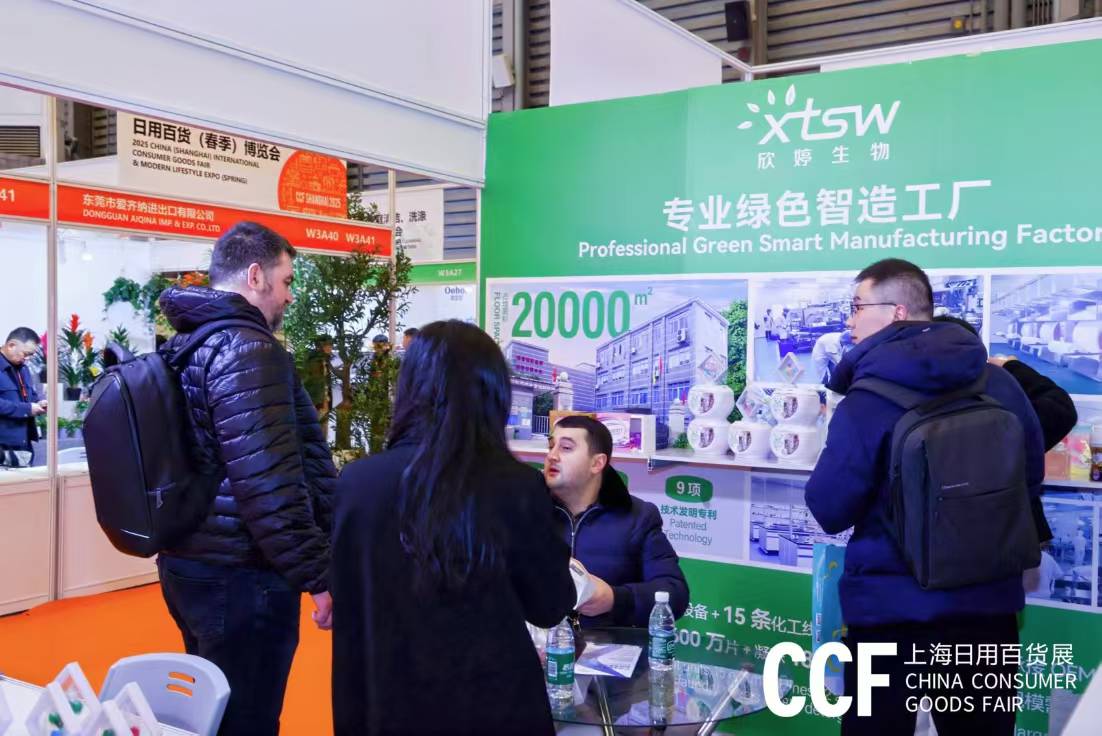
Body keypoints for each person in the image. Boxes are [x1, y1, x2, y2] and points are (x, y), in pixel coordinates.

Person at [805, 258, 1045, 736]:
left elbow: (829, 506)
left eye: (856, 306)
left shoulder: (868, 399)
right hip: (987, 608)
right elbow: (1030, 475)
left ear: (896, 312)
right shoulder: (998, 382)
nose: (849, 321)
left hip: (890, 612)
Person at [333, 320, 575, 736]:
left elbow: (350, 613)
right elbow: (550, 605)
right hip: (496, 709)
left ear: (410, 388)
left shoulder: (359, 484)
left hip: (387, 707)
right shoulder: (518, 486)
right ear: (494, 393)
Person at [157, 221, 336, 736]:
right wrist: (320, 577)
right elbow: (270, 485)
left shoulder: (188, 341)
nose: (290, 295)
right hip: (242, 576)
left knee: (212, 717)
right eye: (287, 280)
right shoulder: (248, 350)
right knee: (247, 719)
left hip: (190, 562)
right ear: (255, 275)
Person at [934, 314, 1076, 543]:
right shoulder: (1006, 414)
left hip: (940, 541)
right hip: (1013, 538)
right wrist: (1012, 367)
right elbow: (1061, 409)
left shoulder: (911, 412)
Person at [544, 415, 689, 628]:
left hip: (606, 644)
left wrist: (614, 599)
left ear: (597, 463)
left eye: (566, 448)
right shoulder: (529, 510)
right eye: (551, 446)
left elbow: (674, 593)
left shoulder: (638, 517)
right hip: (539, 643)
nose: (552, 456)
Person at [0, 327, 46, 467]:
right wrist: (27, 409)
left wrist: (39, 402)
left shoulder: (23, 369)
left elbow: (30, 395)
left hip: (24, 444)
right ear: (11, 345)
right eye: (26, 354)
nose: (27, 359)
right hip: (3, 446)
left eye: (31, 355)